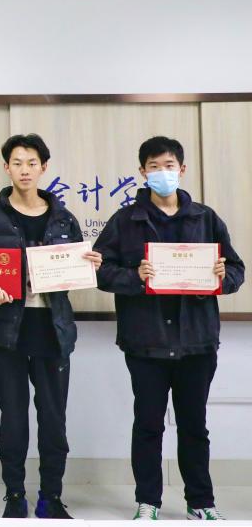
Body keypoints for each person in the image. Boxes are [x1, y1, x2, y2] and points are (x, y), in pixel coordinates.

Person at [93, 136, 244, 520]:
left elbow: (236, 270)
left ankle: (201, 502)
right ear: (142, 172)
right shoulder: (125, 221)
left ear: (182, 169)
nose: (163, 173)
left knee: (194, 426)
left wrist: (221, 278)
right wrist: (135, 276)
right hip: (146, 342)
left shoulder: (205, 218)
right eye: (154, 167)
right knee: (148, 426)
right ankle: (148, 502)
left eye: (169, 166)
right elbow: (101, 271)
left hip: (197, 342)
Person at [0, 134, 101, 520]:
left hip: (51, 329)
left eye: (31, 163)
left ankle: (50, 496)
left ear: (44, 167)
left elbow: (72, 272)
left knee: (53, 420)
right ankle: (14, 495)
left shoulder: (64, 219)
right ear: (6, 167)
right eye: (17, 163)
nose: (24, 170)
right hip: (6, 331)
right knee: (13, 419)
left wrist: (86, 265)